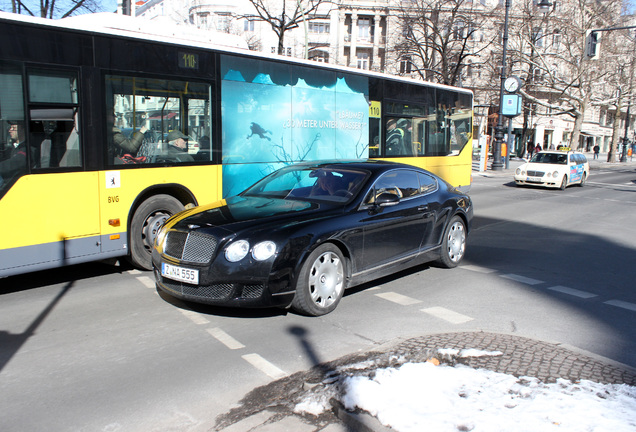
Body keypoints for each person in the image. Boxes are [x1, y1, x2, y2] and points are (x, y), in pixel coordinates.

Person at [0, 121, 29, 186]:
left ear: (22, 130)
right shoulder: (13, 147)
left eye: (13, 128)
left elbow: (15, 162)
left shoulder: (27, 148)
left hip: (15, 183)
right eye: (10, 127)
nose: (10, 130)